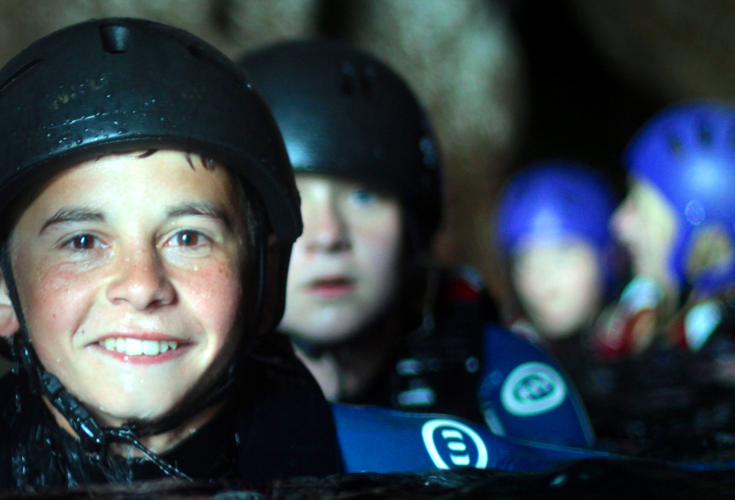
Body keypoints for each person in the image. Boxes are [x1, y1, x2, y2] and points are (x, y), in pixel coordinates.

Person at [0, 1, 652, 495]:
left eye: (188, 234)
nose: (141, 285)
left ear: (259, 282)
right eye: (84, 239)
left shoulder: (381, 457)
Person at [239, 40, 594, 449]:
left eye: (364, 197)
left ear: (413, 227)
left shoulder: (495, 369)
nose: (329, 236)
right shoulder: (194, 376)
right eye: (291, 201)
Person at [587, 102, 735, 451]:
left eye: (638, 206)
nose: (619, 223)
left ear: (700, 238)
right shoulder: (640, 308)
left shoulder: (720, 358)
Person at [494, 162, 622, 342]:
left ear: (607, 258)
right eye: (525, 260)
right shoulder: (508, 349)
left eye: (562, 255)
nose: (543, 282)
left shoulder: (643, 349)